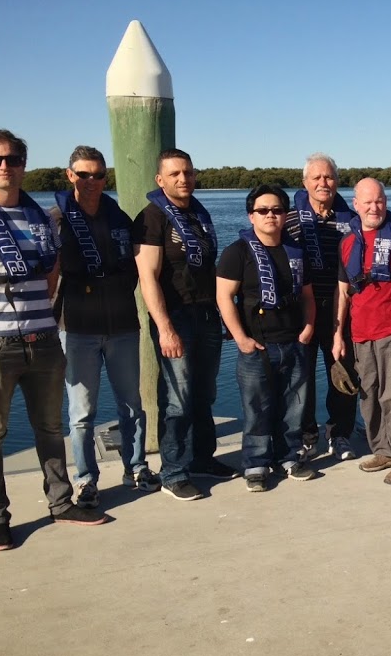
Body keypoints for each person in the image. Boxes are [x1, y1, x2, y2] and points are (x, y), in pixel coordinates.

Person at [0, 128, 107, 551]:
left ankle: (61, 502)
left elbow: (51, 279)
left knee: (50, 428)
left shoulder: (41, 219)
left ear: (23, 165)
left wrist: (38, 320)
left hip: (44, 340)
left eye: (12, 160)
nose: (4, 167)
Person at [52, 146, 160, 507]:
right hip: (77, 328)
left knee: (132, 404)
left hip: (122, 326)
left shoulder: (120, 219)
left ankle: (137, 467)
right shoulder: (57, 220)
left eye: (99, 174)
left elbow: (135, 269)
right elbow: (50, 277)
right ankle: (86, 479)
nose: (92, 181)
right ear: (70, 176)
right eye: (84, 174)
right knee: (82, 413)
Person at [133, 148, 237, 501]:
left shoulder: (198, 213)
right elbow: (148, 276)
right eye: (175, 174)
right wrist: (164, 327)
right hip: (175, 317)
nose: (183, 179)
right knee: (176, 398)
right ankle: (174, 471)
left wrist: (223, 314)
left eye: (188, 173)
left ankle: (203, 457)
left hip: (207, 314)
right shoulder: (151, 217)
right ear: (160, 180)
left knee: (204, 394)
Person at [217, 185, 318, 492]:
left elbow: (308, 296)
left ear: (286, 215)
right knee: (257, 408)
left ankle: (288, 456)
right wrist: (240, 339)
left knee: (293, 406)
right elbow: (224, 297)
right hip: (256, 346)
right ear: (251, 216)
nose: (270, 215)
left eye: (277, 210)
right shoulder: (237, 253)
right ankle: (256, 463)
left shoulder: (296, 250)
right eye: (263, 210)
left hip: (293, 341)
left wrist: (309, 327)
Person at [333, 178, 391, 486]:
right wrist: (338, 333)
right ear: (356, 204)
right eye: (369, 202)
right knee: (370, 395)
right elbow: (343, 292)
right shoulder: (348, 242)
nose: (375, 207)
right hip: (361, 333)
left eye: (380, 201)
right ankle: (383, 449)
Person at [284, 154, 358, 461]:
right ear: (304, 183)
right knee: (301, 376)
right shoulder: (288, 220)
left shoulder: (352, 219)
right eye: (316, 178)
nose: (322, 183)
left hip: (341, 309)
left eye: (328, 177)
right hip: (301, 309)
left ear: (337, 182)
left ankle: (340, 433)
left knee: (343, 371)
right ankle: (307, 434)